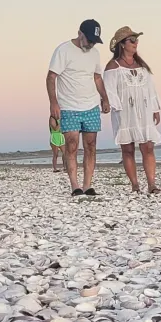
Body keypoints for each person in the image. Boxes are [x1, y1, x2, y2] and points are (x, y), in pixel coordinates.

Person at [47, 20, 111, 196]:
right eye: (89, 39)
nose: (91, 44)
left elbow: (97, 78)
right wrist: (53, 102)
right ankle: (75, 186)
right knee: (72, 145)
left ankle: (87, 185)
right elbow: (51, 77)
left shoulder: (95, 54)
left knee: (91, 146)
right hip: (69, 106)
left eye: (94, 41)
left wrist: (104, 98)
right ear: (80, 33)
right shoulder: (63, 50)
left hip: (91, 105)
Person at [104, 26, 161, 194]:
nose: (136, 43)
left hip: (143, 110)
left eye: (136, 40)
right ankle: (135, 185)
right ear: (122, 44)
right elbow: (108, 90)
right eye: (132, 40)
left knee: (148, 146)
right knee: (128, 149)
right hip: (124, 111)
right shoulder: (113, 66)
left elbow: (151, 89)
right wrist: (113, 107)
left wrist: (155, 108)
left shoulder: (142, 65)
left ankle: (152, 184)